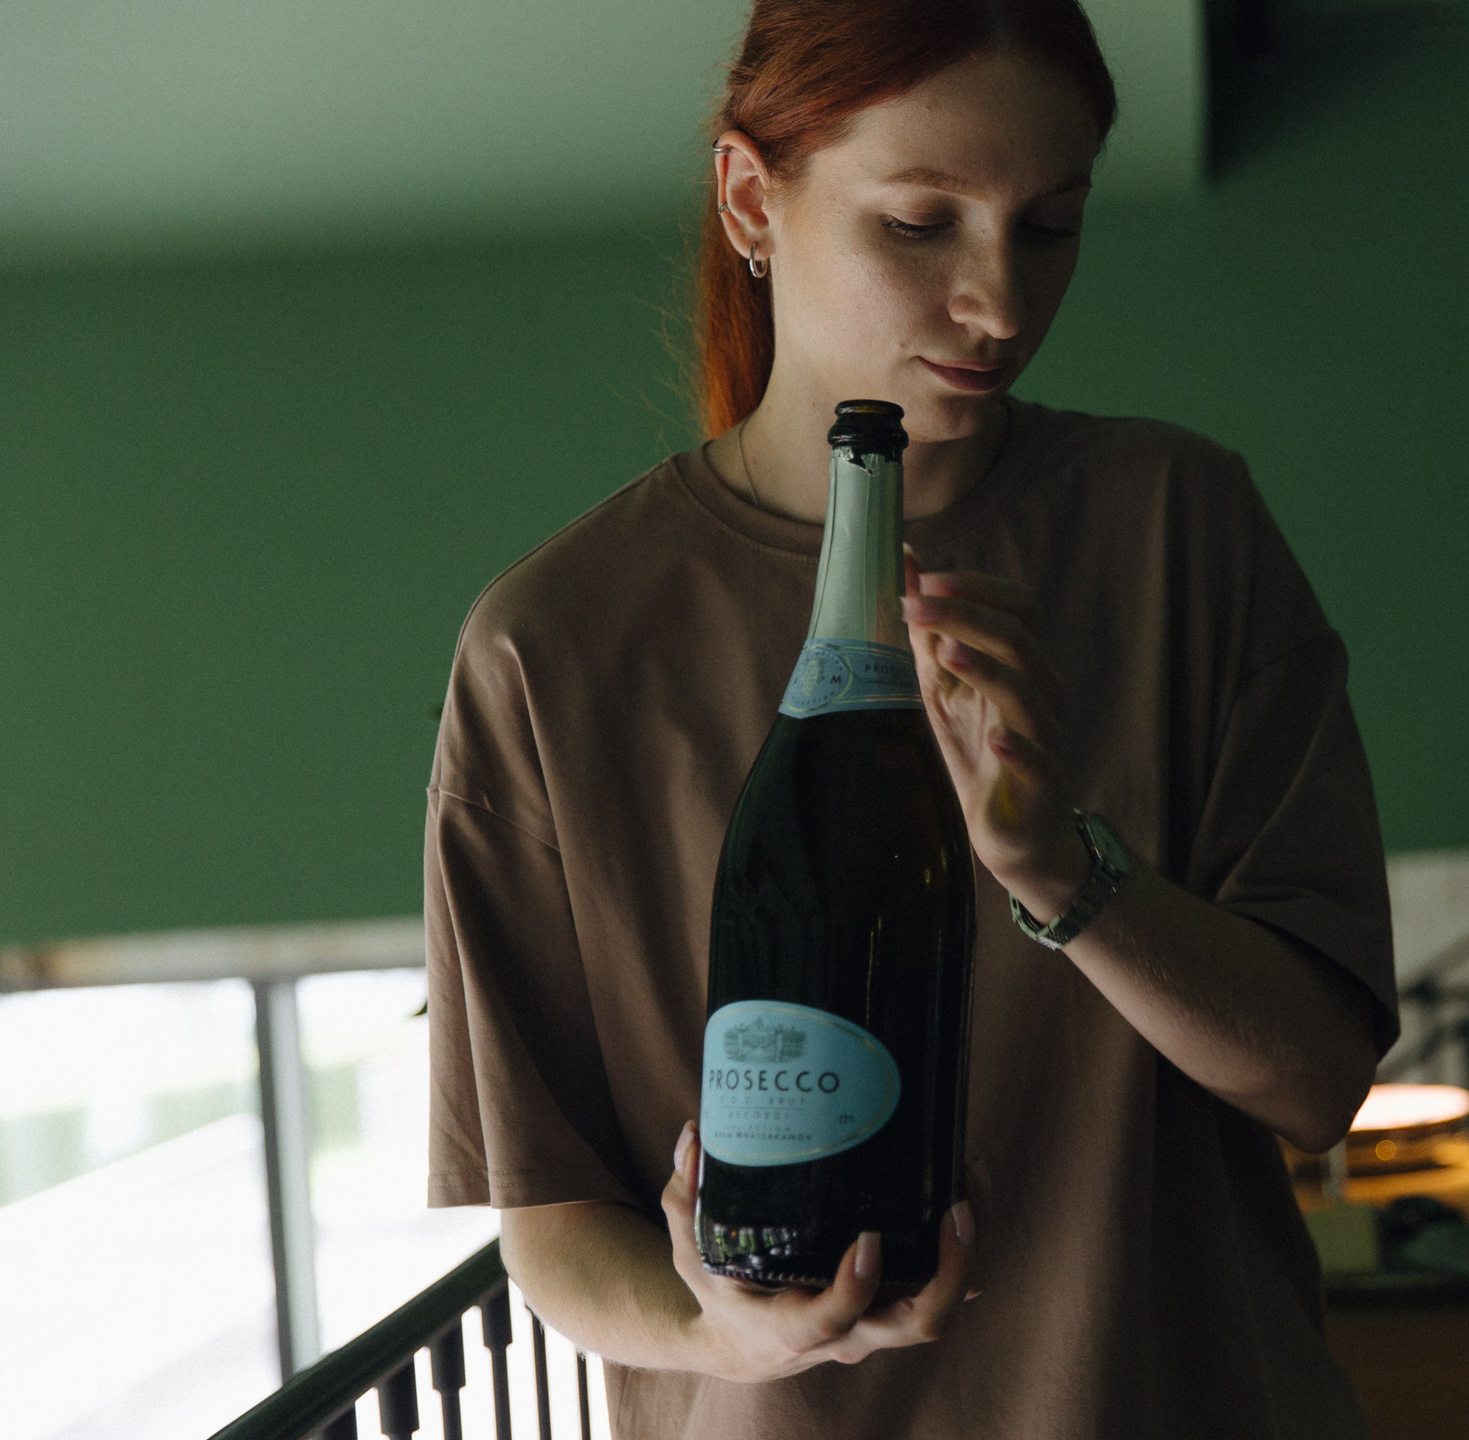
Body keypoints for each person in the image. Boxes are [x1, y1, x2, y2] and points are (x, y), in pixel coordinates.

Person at [424, 1, 1398, 1435]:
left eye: (1050, 226)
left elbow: (1318, 1079)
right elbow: (552, 1220)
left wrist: (1062, 871)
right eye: (920, 223)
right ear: (751, 200)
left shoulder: (1180, 531)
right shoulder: (551, 649)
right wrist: (724, 1332)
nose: (1000, 304)